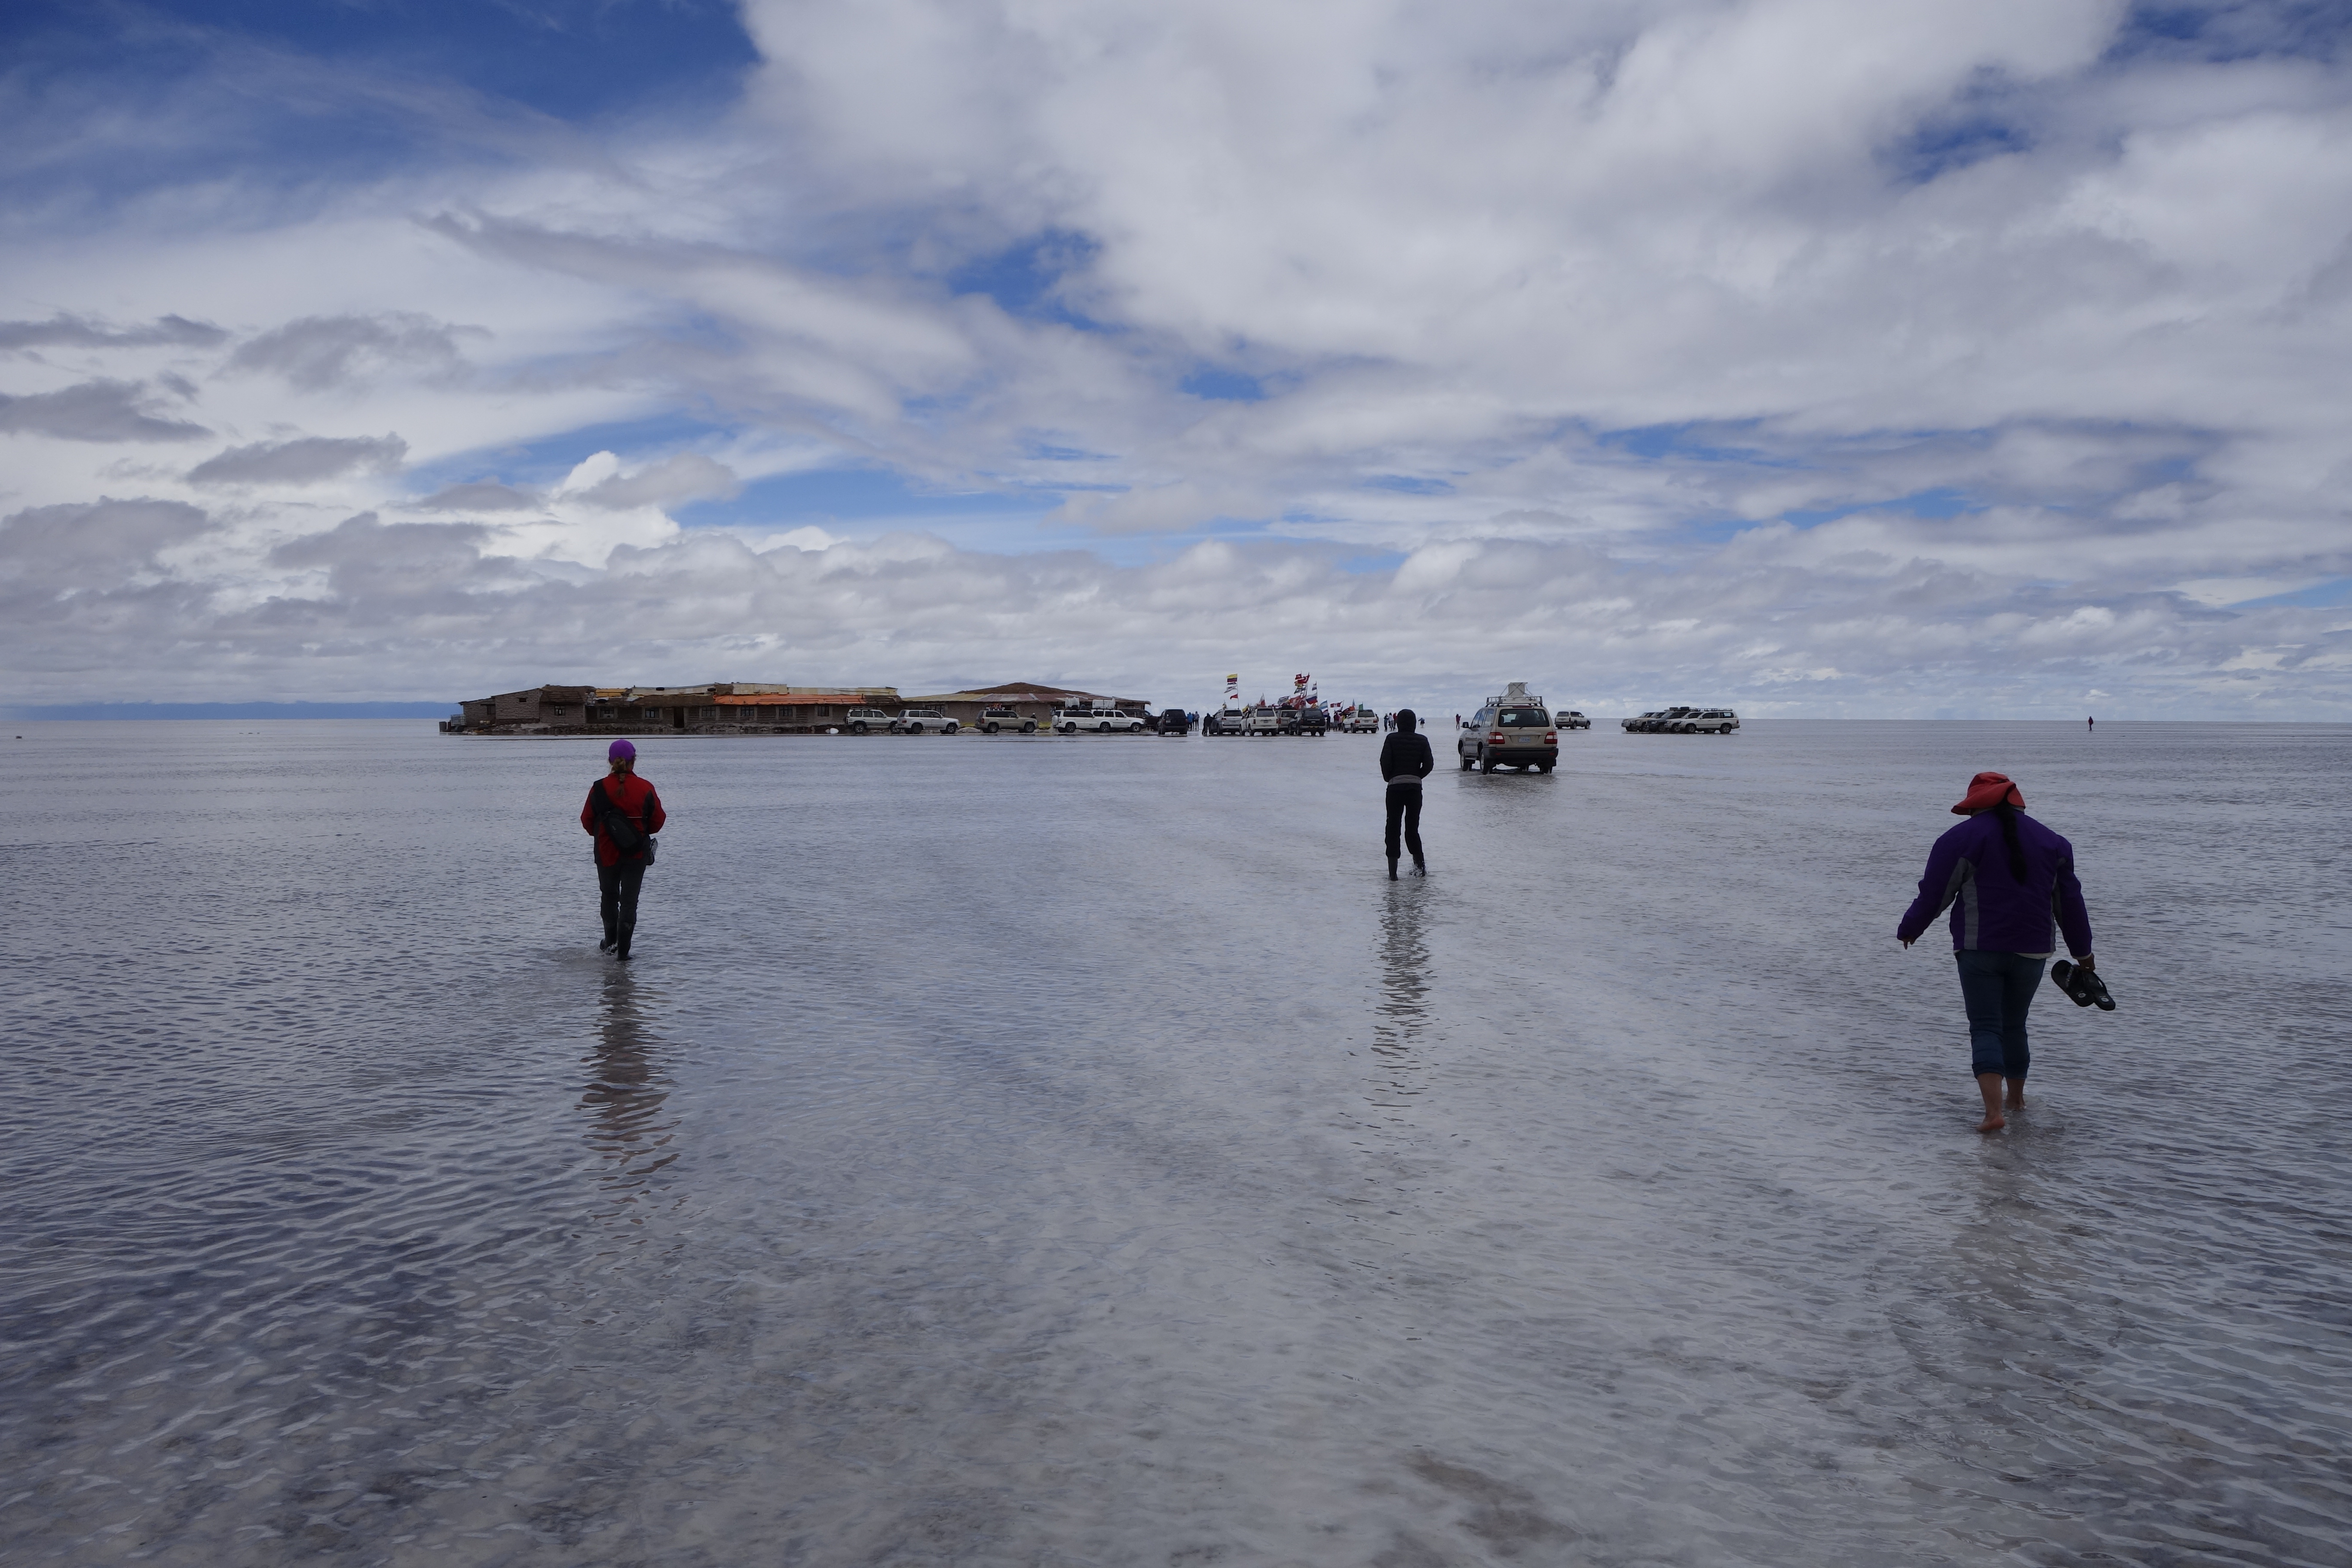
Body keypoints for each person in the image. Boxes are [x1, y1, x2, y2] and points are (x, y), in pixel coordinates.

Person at [1896, 771, 2095, 1133]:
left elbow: (1936, 892)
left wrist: (1911, 928)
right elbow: (2069, 903)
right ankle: (2016, 1101)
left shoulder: (1959, 838)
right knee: (2015, 1024)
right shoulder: (2054, 842)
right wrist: (2083, 953)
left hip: (1979, 949)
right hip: (2033, 951)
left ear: (1975, 804)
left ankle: (1993, 1114)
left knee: (1986, 1026)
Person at [582, 739, 666, 960]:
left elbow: (587, 821)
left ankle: (610, 945)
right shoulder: (645, 788)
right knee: (629, 902)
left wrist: (606, 835)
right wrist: (634, 833)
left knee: (609, 896)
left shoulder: (598, 788)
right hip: (636, 853)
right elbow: (658, 822)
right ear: (633, 761)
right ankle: (624, 955)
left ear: (610, 761)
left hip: (606, 852)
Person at [1378, 708, 1433, 879]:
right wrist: (1417, 777)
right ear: (1415, 724)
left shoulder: (1391, 739)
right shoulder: (1423, 740)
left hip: (1395, 789)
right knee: (1412, 829)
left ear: (1398, 723)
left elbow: (1384, 761)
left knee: (1393, 828)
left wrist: (1389, 778)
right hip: (1414, 790)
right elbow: (1429, 764)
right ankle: (1420, 871)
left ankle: (1393, 875)